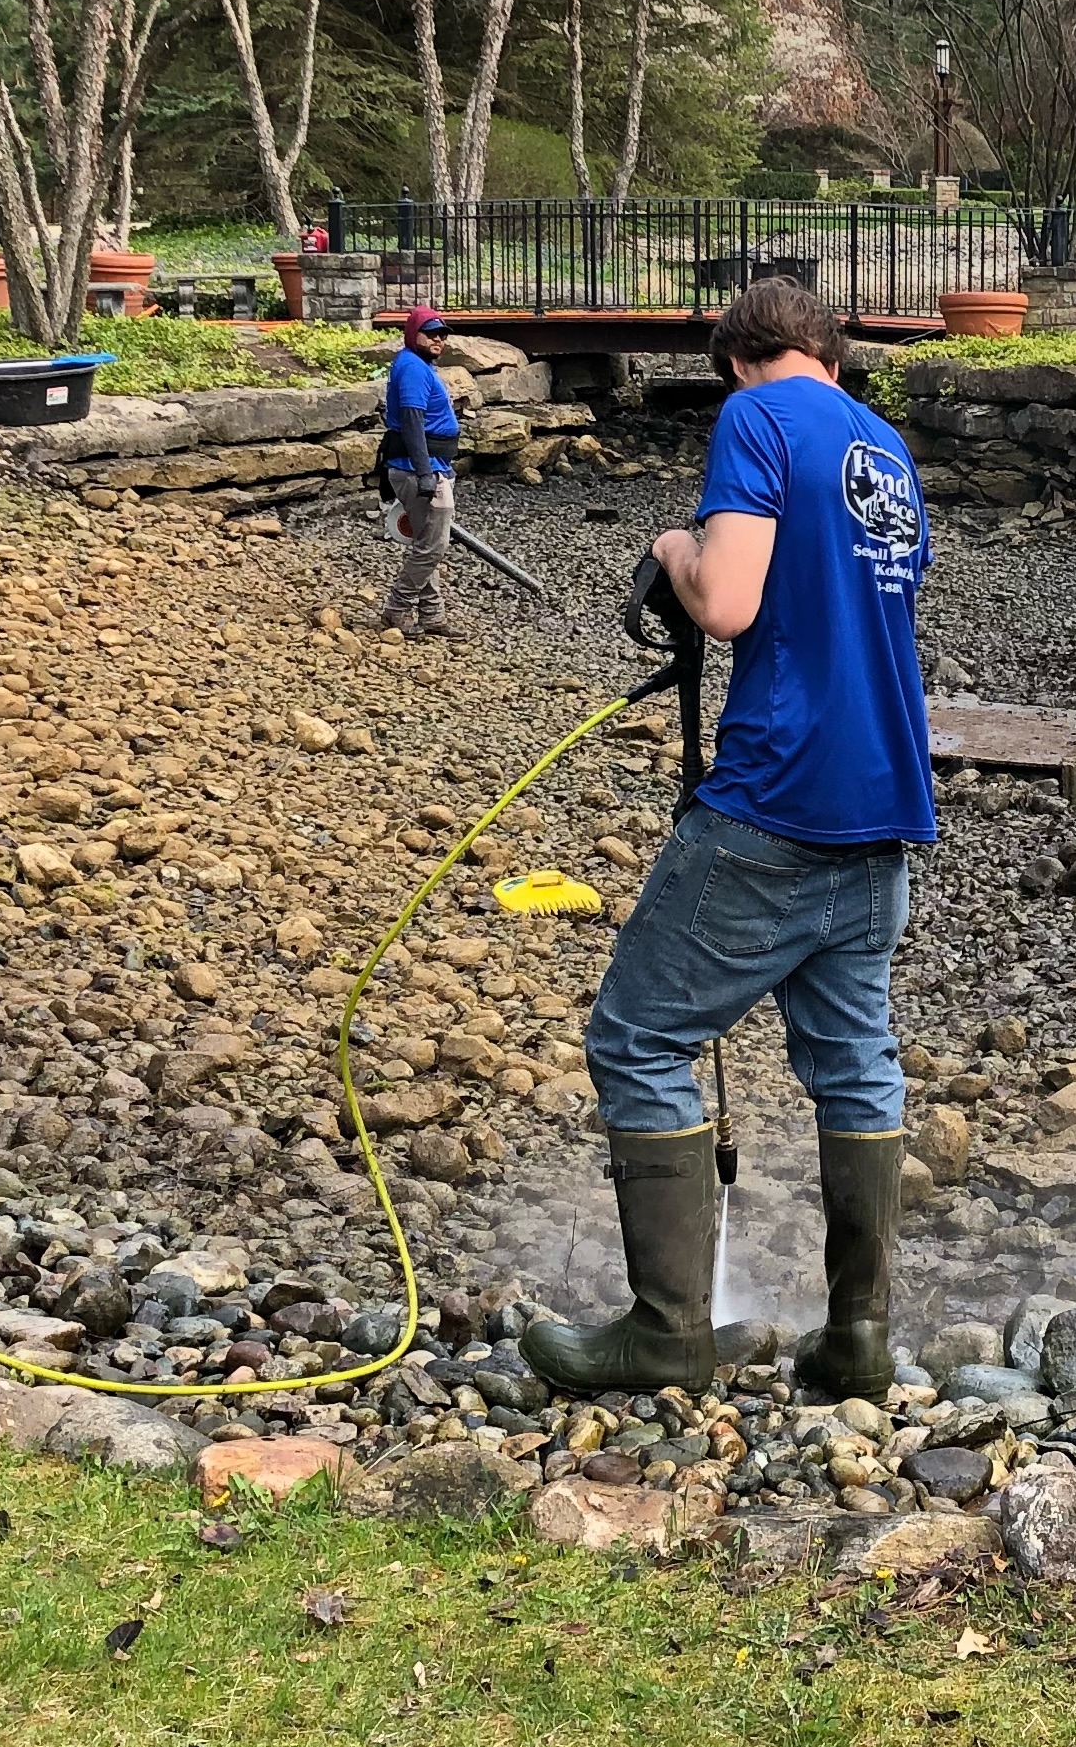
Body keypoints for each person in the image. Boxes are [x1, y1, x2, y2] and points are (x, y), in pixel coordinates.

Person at [527, 276, 936, 1403]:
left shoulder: (756, 416)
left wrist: (674, 546)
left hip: (775, 795)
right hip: (885, 801)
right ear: (833, 356)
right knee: (854, 1060)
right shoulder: (885, 450)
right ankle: (858, 1338)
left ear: (743, 359)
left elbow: (733, 604)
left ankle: (666, 1331)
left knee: (637, 1039)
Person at [375, 307, 465, 637]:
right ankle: (397, 607)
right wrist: (426, 472)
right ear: (415, 335)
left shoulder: (415, 364)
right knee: (433, 546)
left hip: (423, 466)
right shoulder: (412, 367)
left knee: (426, 542)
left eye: (443, 333)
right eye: (432, 333)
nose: (439, 338)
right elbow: (412, 420)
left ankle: (432, 615)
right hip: (418, 470)